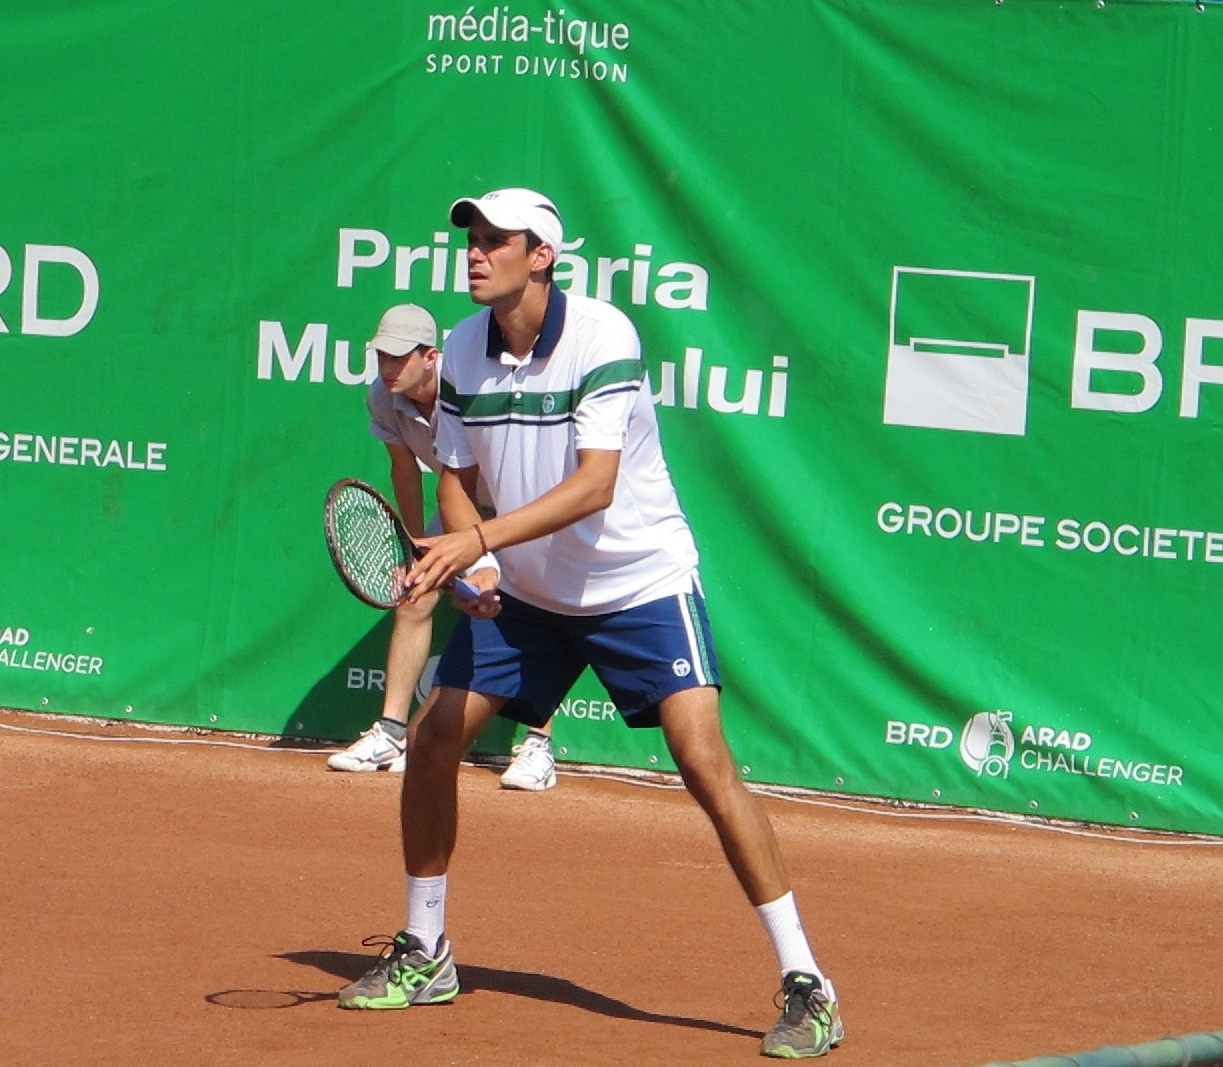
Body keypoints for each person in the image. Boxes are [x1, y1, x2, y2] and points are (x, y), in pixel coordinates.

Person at [333, 189, 843, 1058]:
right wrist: (478, 562)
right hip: (528, 589)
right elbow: (453, 471)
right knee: (432, 739)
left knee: (704, 761)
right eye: (471, 238)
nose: (475, 251)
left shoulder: (603, 335)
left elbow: (593, 485)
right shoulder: (458, 345)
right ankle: (427, 947)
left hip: (635, 579)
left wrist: (477, 541)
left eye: (497, 240)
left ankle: (807, 982)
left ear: (542, 256)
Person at [326, 302, 559, 791]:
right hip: (458, 502)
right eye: (381, 357)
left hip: (519, 498)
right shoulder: (382, 398)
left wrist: (491, 556)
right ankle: (391, 731)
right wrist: (411, 544)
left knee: (538, 607)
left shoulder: (469, 391)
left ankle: (538, 745)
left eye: (398, 358)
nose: (387, 368)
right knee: (415, 594)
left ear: (430, 357)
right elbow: (406, 470)